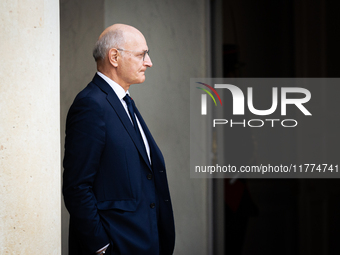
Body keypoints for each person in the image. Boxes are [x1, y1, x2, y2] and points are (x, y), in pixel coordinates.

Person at [63, 24, 175, 255]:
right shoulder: (91, 105)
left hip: (145, 243)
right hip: (117, 246)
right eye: (142, 54)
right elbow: (77, 187)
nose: (149, 62)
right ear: (114, 57)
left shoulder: (125, 103)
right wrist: (101, 248)